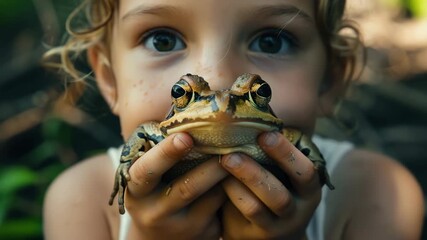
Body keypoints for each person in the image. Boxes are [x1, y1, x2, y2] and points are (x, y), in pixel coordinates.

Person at [43, 0, 424, 239]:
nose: (219, 78)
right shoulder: (81, 202)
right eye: (162, 39)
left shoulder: (380, 194)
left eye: (271, 41)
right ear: (109, 80)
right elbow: (144, 134)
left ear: (330, 81)